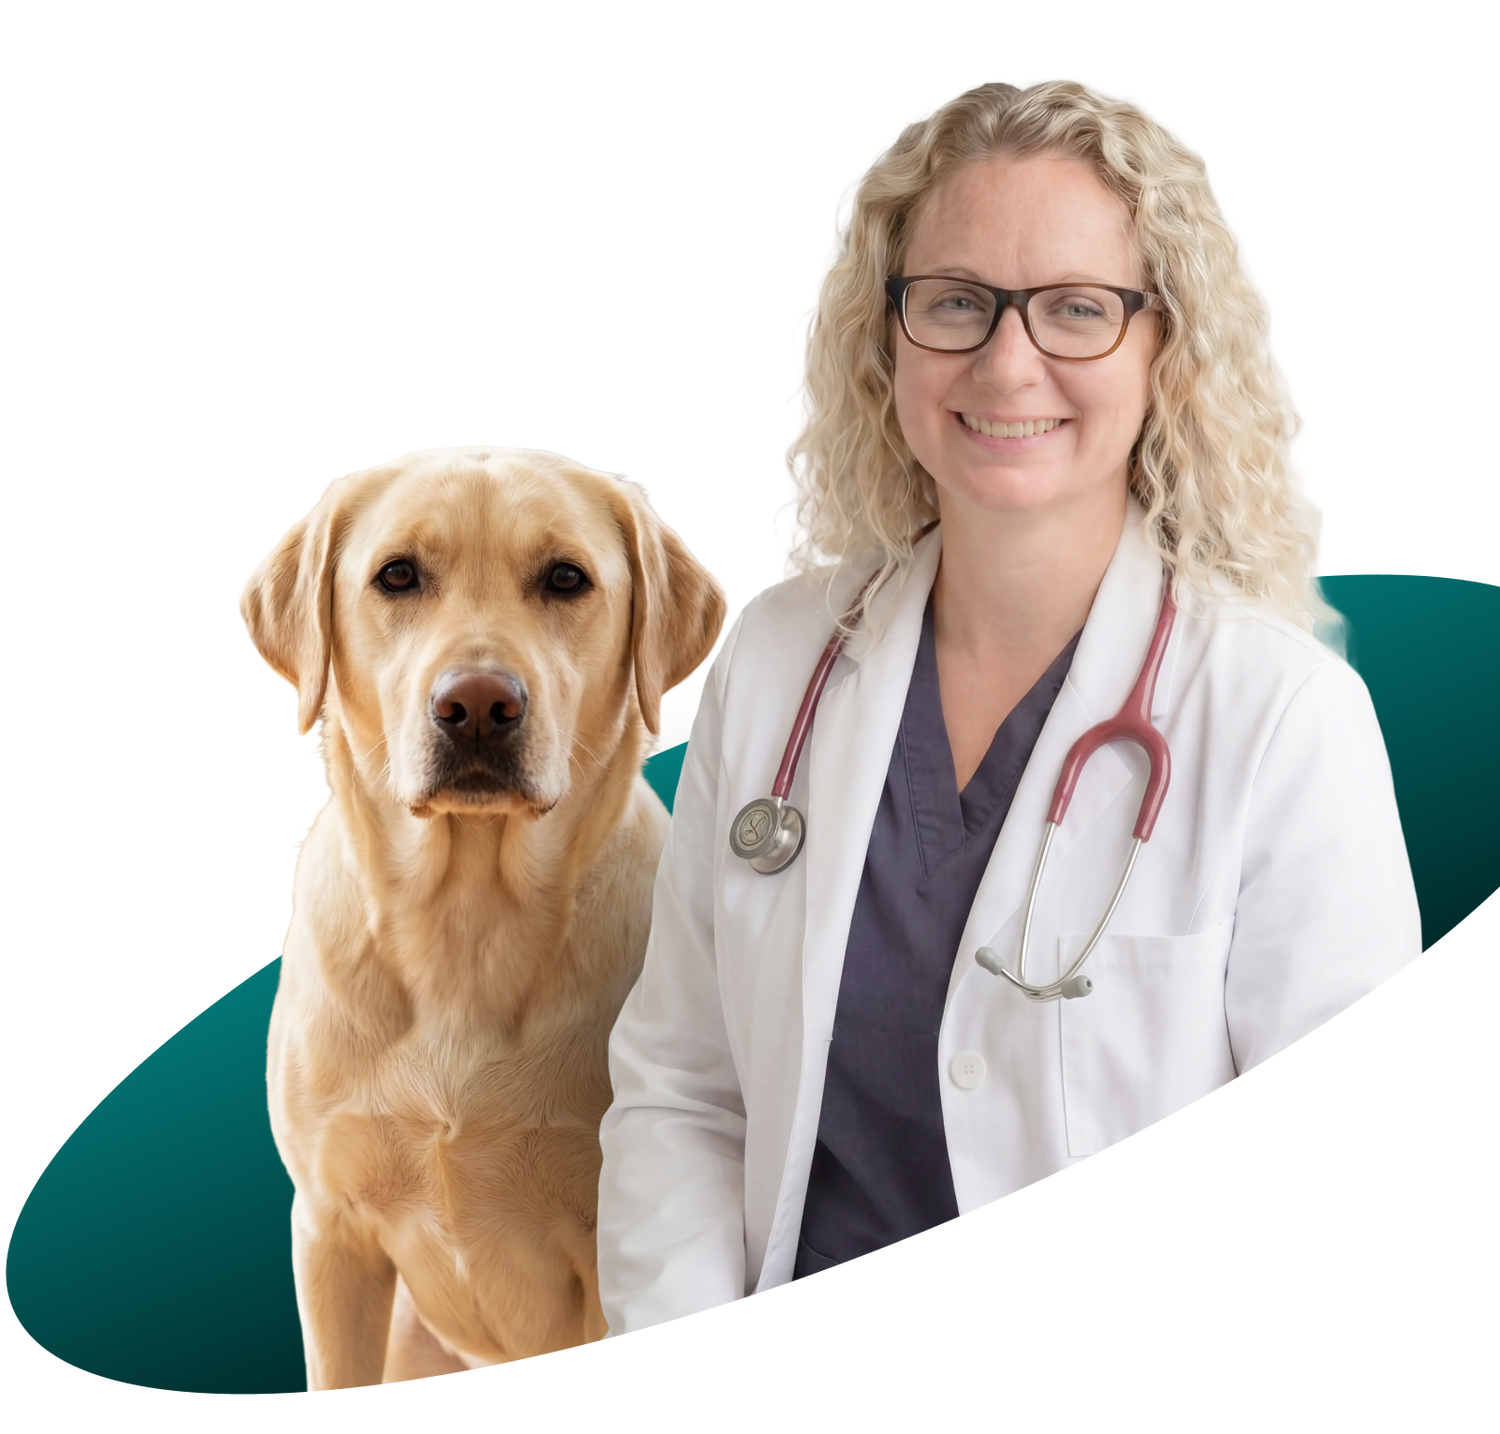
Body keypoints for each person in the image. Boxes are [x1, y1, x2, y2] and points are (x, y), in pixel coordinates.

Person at [594, 75, 1420, 1337]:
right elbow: (684, 1090)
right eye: (957, 303)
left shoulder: (1282, 716)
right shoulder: (780, 655)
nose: (1007, 359)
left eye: (1078, 309)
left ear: (1166, 344)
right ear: (887, 334)